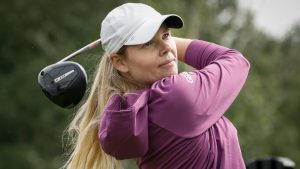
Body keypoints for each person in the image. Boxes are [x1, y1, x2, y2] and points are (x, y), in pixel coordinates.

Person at [63, 3, 250, 169]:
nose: (166, 47)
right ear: (120, 62)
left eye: (166, 34)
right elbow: (235, 60)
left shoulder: (135, 111)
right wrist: (168, 43)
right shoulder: (175, 96)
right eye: (147, 43)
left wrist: (157, 42)